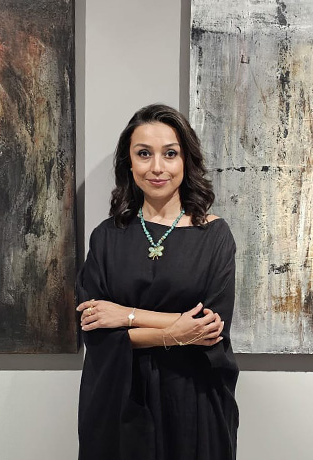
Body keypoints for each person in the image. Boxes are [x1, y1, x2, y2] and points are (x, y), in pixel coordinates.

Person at [76, 104, 239, 459]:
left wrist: (126, 316)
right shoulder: (106, 237)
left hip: (195, 400)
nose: (157, 167)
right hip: (119, 400)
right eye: (144, 154)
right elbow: (94, 331)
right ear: (129, 163)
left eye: (170, 153)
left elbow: (210, 328)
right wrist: (175, 332)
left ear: (186, 160)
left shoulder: (215, 236)